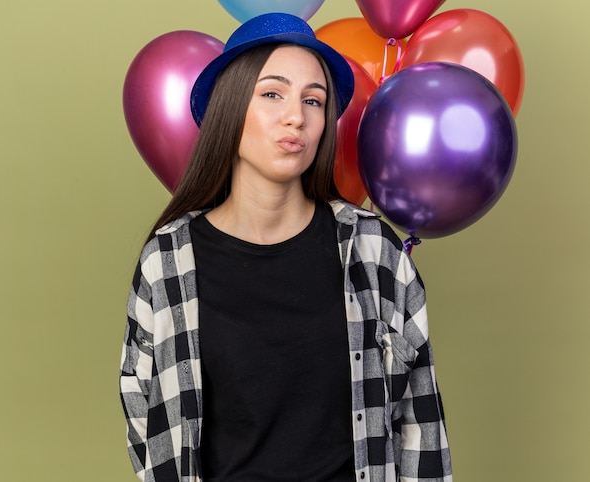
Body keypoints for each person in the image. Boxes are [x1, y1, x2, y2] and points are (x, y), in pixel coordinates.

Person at [120, 12, 452, 482]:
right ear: (231, 108)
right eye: (272, 93)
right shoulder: (169, 259)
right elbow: (143, 416)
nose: (296, 116)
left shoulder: (374, 250)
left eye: (313, 100)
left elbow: (421, 424)